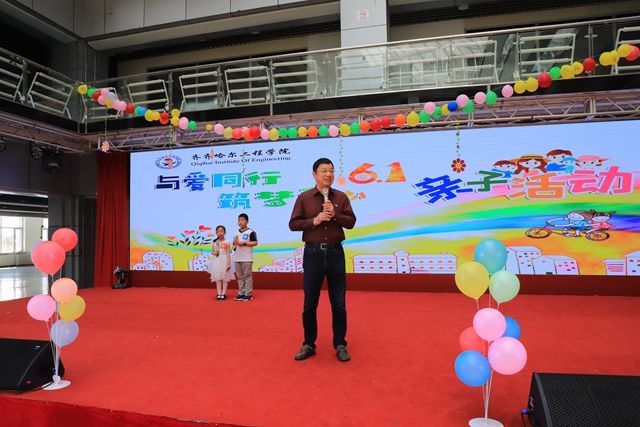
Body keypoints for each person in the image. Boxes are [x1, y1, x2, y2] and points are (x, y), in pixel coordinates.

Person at [288, 158, 357, 362]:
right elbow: (293, 224)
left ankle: (340, 344)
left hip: (335, 254)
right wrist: (314, 220)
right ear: (314, 175)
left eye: (331, 170)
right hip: (313, 254)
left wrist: (335, 215)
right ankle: (309, 343)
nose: (328, 174)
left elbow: (351, 222)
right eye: (324, 170)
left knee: (339, 303)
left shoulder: (341, 197)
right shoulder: (304, 198)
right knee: (310, 303)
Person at [232, 213, 258, 301]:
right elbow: (235, 244)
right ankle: (241, 293)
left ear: (247, 221)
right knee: (240, 276)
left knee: (247, 276)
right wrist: (234, 244)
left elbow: (255, 242)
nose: (240, 222)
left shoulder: (250, 232)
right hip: (237, 258)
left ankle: (248, 294)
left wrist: (243, 243)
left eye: (242, 220)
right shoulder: (236, 232)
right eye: (239, 220)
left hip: (247, 258)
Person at [209, 225, 234, 300]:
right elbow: (212, 252)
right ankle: (219, 293)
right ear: (216, 233)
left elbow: (228, 253)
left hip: (224, 259)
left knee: (224, 277)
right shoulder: (214, 242)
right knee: (218, 277)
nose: (220, 233)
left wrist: (228, 263)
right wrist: (214, 253)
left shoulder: (227, 242)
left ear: (225, 232)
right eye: (218, 232)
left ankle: (224, 293)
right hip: (217, 260)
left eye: (222, 231)